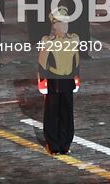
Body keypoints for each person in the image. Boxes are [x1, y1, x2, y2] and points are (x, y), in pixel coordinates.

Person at [38, 11, 81, 155]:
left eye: (66, 23)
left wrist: (77, 77)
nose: (65, 26)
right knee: (52, 112)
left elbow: (76, 60)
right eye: (61, 23)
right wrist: (42, 81)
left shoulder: (74, 39)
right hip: (54, 80)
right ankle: (53, 143)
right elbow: (42, 63)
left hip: (68, 80)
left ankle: (65, 143)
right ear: (55, 26)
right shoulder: (48, 41)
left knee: (67, 112)